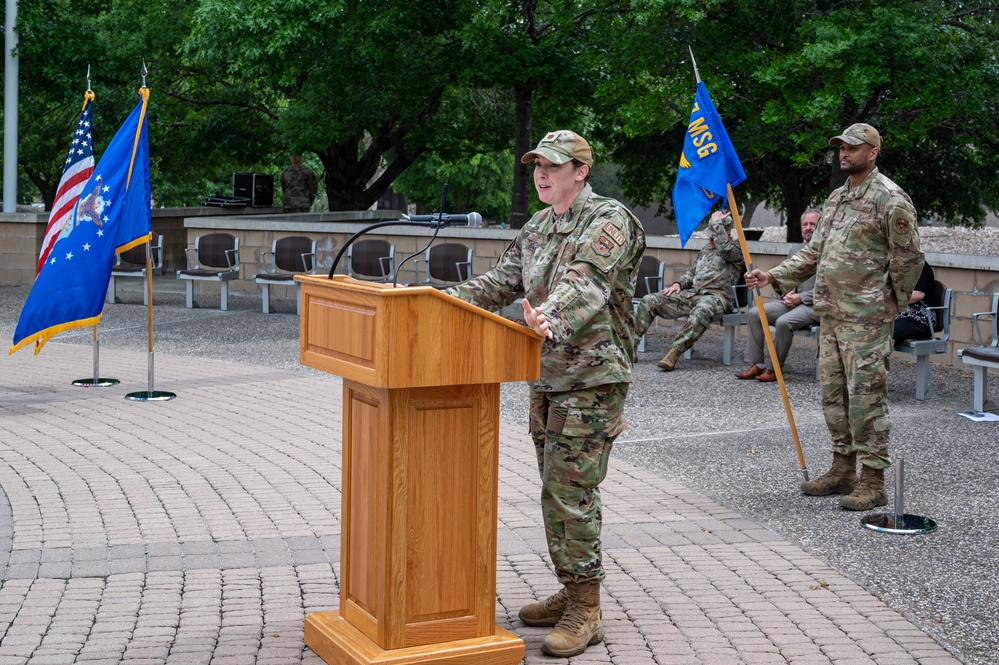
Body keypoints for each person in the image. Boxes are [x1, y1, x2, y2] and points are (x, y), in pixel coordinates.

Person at [445, 130, 645, 657]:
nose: (541, 174)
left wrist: (549, 317)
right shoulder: (539, 224)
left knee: (571, 492)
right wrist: (436, 298)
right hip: (548, 375)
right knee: (553, 490)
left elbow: (586, 284)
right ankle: (571, 586)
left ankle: (587, 608)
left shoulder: (609, 220)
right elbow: (498, 283)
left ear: (581, 171)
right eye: (537, 165)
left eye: (553, 166)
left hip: (592, 379)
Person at [745, 123, 924, 511]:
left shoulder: (890, 199)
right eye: (841, 147)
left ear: (872, 152)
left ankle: (873, 481)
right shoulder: (836, 199)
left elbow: (909, 259)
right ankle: (843, 469)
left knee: (867, 401)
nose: (844, 153)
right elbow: (815, 253)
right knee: (833, 398)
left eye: (852, 147)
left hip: (867, 321)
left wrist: (887, 303)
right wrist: (773, 275)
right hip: (831, 318)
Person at [634, 210, 745, 371]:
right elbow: (692, 273)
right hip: (694, 294)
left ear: (726, 233)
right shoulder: (706, 250)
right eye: (710, 234)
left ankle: (674, 353)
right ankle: (630, 347)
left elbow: (724, 249)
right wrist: (678, 284)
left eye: (714, 235)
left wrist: (716, 223)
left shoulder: (736, 251)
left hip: (717, 298)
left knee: (702, 310)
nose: (710, 239)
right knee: (650, 300)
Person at [736, 209, 821, 382]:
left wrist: (801, 298)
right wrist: (787, 293)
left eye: (813, 224)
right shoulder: (795, 250)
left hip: (814, 306)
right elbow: (786, 277)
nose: (808, 228)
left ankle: (774, 369)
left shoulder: (828, 253)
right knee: (755, 313)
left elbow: (830, 288)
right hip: (792, 302)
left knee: (784, 322)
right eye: (805, 224)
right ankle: (757, 364)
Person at [894, 261, 936, 342]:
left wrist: (891, 301)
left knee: (883, 331)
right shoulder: (893, 265)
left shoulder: (920, 266)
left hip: (918, 321)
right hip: (897, 317)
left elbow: (918, 294)